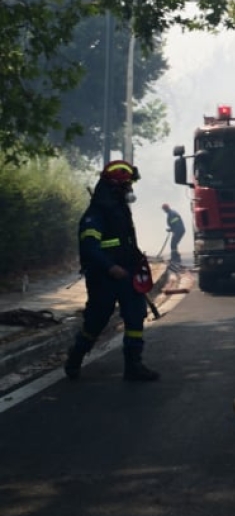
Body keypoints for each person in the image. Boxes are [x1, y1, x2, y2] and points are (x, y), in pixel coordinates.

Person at [64, 160, 160, 382]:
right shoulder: (95, 214)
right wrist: (110, 267)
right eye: (127, 186)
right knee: (96, 321)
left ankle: (133, 365)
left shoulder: (120, 210)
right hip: (103, 278)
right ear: (116, 186)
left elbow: (125, 242)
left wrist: (137, 259)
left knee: (135, 316)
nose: (130, 190)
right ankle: (76, 355)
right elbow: (89, 247)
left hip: (127, 274)